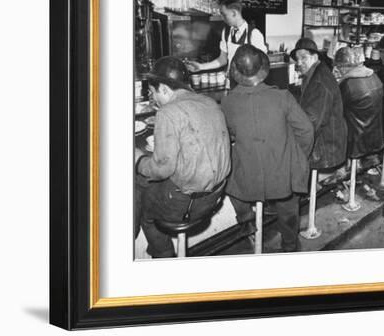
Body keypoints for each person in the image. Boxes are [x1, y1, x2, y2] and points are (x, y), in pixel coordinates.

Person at [133, 57, 231, 258]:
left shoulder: (168, 112)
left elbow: (162, 170)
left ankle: (164, 258)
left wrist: (139, 160)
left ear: (165, 89)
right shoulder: (209, 101)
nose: (154, 99)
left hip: (190, 204)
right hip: (216, 193)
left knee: (143, 204)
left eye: (153, 93)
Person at [221, 45, 314, 252]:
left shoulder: (227, 102)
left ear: (235, 70)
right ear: (263, 68)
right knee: (289, 208)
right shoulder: (283, 97)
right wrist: (297, 157)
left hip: (248, 180)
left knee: (229, 178)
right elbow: (306, 131)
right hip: (281, 177)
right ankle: (289, 245)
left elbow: (225, 139)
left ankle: (246, 220)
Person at [290, 37, 347, 171]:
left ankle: (306, 189)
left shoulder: (319, 83)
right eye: (297, 59)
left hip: (326, 147)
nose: (299, 63)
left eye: (303, 58)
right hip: (329, 138)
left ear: (315, 57)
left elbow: (311, 124)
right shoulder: (317, 72)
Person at [185, 0, 267, 76]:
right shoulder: (226, 32)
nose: (222, 18)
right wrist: (201, 67)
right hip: (230, 82)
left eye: (224, 15)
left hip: (248, 84)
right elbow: (222, 59)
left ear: (234, 13)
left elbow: (263, 63)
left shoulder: (254, 34)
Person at [334, 45, 384, 166]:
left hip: (356, 140)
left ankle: (339, 170)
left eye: (339, 67)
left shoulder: (348, 85)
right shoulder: (374, 76)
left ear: (343, 67)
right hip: (375, 135)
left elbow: (335, 109)